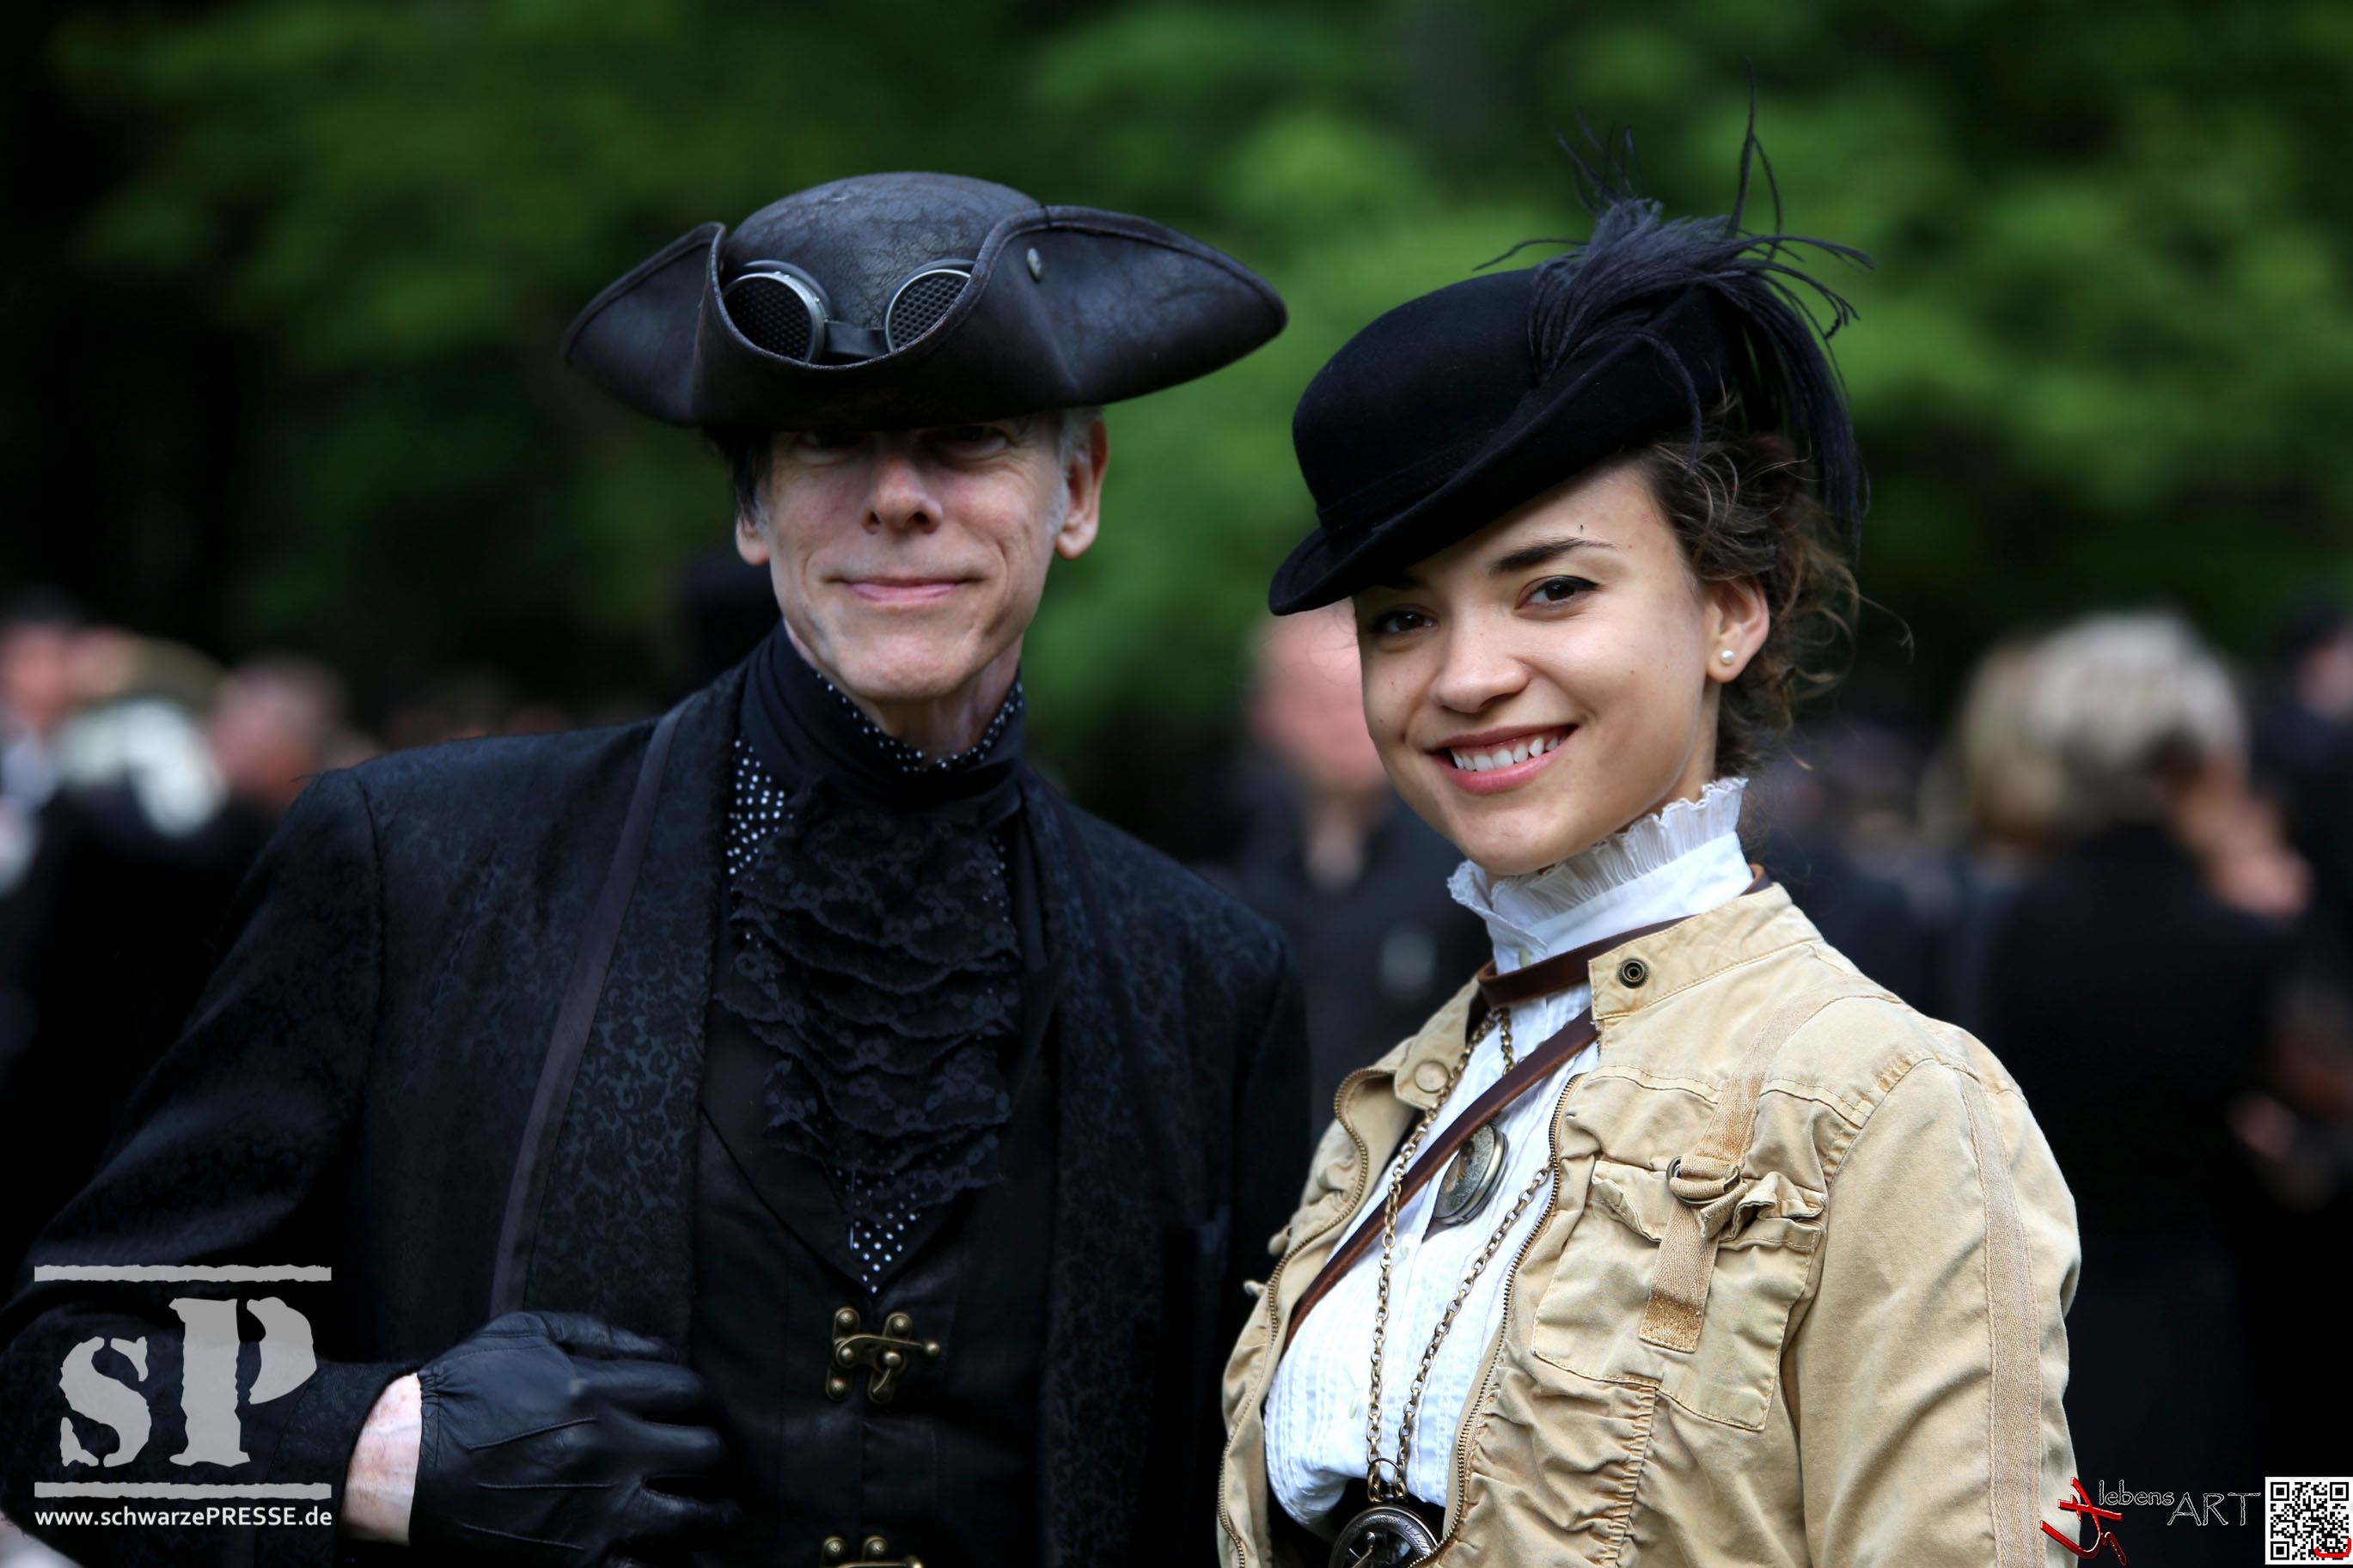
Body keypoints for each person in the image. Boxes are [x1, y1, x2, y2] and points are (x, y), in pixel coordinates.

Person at [0, 172, 1307, 1568]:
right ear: (752, 507)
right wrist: (372, 1451)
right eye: (826, 441)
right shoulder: (418, 867)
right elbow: (48, 1396)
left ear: (1078, 488)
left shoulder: (1205, 978)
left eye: (967, 438)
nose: (896, 498)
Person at [1214, 142, 2081, 1567]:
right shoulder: (1401, 1097)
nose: (1465, 676)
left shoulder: (1883, 1104)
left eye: (1552, 588)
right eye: (1401, 619)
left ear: (1728, 610)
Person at [1206, 607, 1488, 1120]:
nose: (1339, 717)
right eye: (1313, 697)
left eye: (1356, 690)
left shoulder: (1477, 867)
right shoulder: (1225, 882)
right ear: (1265, 713)